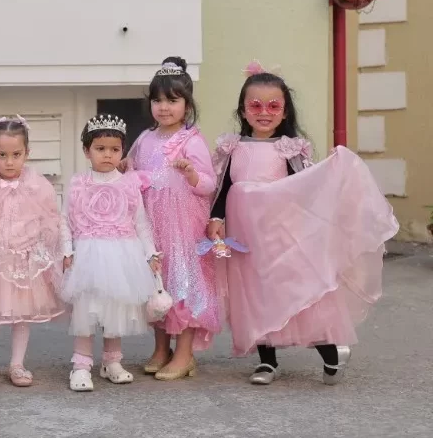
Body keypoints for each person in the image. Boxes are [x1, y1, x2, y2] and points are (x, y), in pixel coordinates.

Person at [211, 61, 398, 385]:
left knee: (294, 291)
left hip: (281, 236)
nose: (264, 113)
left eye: (273, 106)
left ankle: (331, 351)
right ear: (243, 110)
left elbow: (305, 187)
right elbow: (223, 187)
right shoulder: (233, 148)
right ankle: (266, 361)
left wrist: (332, 171)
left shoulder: (288, 149)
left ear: (285, 111)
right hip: (245, 239)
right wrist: (216, 217)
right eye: (255, 106)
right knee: (254, 294)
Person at [125, 56, 219, 380]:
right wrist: (124, 169)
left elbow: (209, 183)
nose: (164, 107)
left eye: (172, 100)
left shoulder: (191, 140)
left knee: (183, 281)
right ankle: (161, 348)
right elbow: (133, 168)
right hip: (153, 222)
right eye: (157, 100)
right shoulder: (145, 138)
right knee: (157, 280)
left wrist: (191, 174)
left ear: (187, 105)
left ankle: (184, 353)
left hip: (182, 224)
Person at [0, 116, 67, 388]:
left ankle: (17, 364)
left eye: (16, 155)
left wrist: (42, 247)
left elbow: (51, 219)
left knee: (22, 314)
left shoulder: (38, 185)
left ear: (27, 153)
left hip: (23, 260)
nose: (9, 162)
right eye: (2, 155)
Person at [62, 114, 160, 392]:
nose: (108, 155)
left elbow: (140, 222)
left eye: (115, 149)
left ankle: (111, 362)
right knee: (87, 310)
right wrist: (67, 250)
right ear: (86, 151)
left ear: (122, 151)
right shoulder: (79, 182)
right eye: (100, 148)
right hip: (89, 255)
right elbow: (65, 220)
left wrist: (150, 254)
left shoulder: (129, 184)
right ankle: (81, 365)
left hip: (122, 254)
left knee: (115, 309)